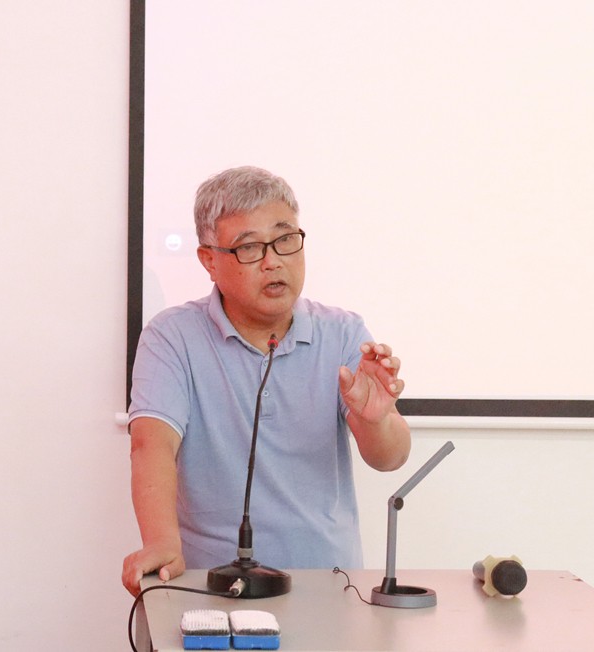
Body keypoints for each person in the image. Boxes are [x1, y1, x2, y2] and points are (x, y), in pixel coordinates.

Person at [122, 166, 411, 597]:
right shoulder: (172, 336)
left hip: (329, 584)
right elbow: (152, 445)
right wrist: (162, 543)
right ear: (209, 260)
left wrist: (375, 420)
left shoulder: (343, 333)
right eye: (249, 247)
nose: (273, 261)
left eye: (285, 239)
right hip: (212, 586)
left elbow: (390, 458)